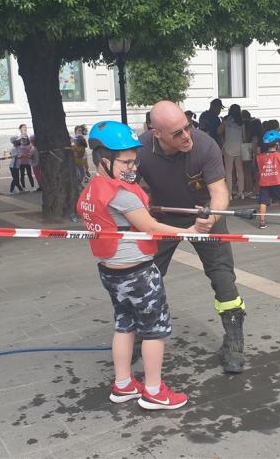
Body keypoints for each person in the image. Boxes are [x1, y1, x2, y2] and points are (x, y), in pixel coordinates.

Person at [77, 121, 191, 410]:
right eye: (126, 161)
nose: (132, 166)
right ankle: (154, 391)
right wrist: (190, 232)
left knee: (124, 324)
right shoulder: (122, 194)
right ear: (104, 159)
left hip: (110, 271)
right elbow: (149, 226)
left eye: (134, 160)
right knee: (154, 331)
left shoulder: (92, 190)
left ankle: (123, 384)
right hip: (138, 273)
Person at [137, 101, 247, 374]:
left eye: (187, 127)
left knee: (223, 276)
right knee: (144, 274)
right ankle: (137, 332)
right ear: (156, 133)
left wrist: (211, 217)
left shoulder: (205, 144)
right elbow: (124, 187)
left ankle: (233, 340)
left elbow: (220, 192)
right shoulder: (140, 149)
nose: (186, 136)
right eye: (177, 133)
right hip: (162, 218)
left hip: (205, 216)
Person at [255, 130, 280, 229]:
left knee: (263, 202)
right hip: (277, 182)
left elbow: (259, 170)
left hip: (264, 183)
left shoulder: (259, 157)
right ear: (276, 144)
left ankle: (262, 221)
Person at [218, 104, 246, 199]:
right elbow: (244, 136)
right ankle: (241, 192)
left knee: (228, 171)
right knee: (240, 170)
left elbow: (218, 131)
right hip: (240, 148)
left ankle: (229, 194)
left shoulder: (226, 121)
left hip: (229, 147)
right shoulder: (241, 122)